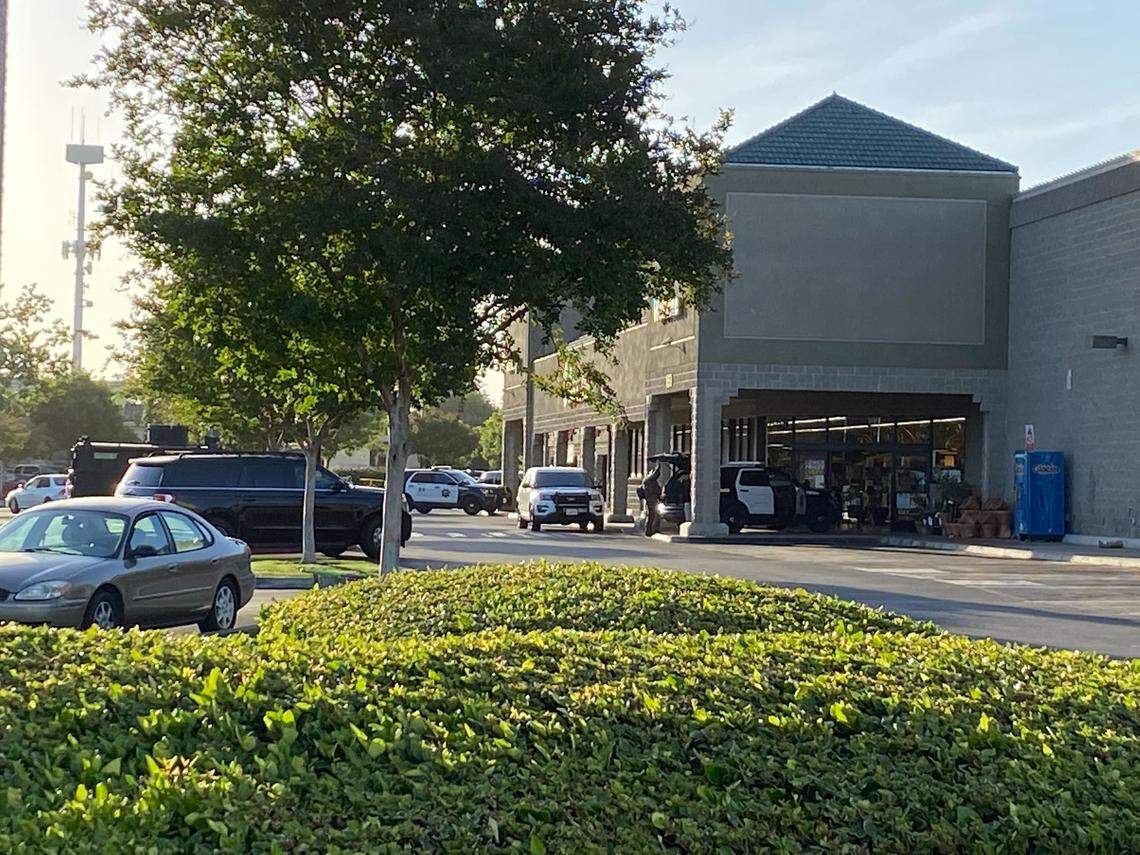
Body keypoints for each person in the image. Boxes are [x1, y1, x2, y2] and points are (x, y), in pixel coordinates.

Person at [640, 463, 663, 537]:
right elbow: (656, 490)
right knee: (653, 516)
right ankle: (651, 530)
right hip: (651, 501)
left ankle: (650, 530)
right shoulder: (649, 481)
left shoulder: (649, 481)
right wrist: (658, 467)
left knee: (652, 516)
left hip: (651, 501)